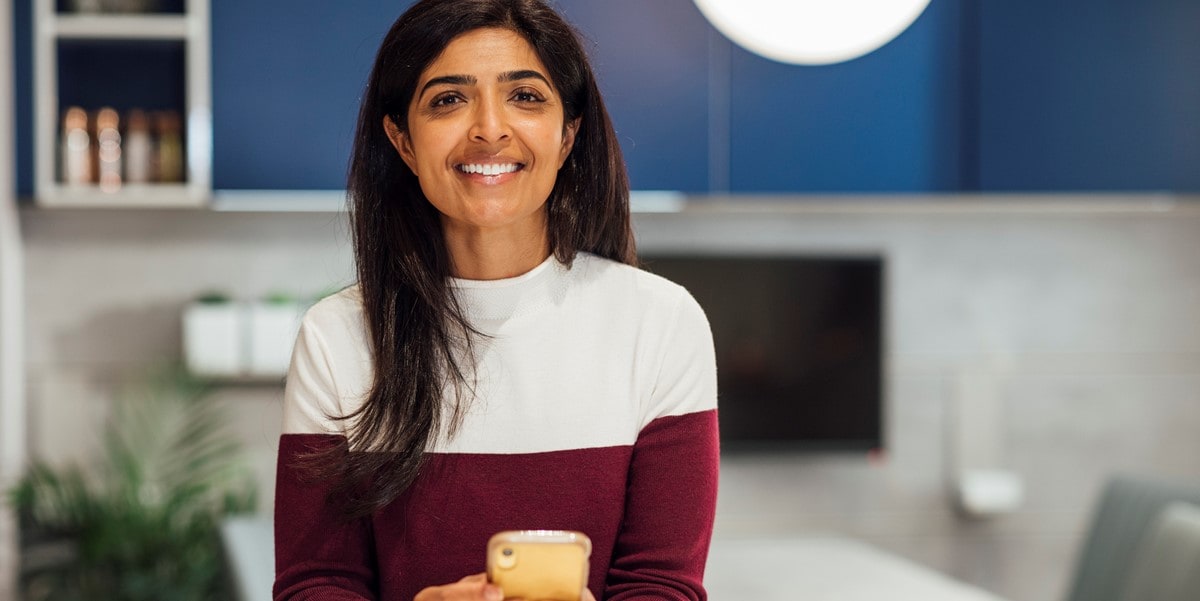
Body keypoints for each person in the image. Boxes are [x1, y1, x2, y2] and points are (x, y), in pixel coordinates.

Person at [272, 0, 719, 599]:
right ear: (402, 140)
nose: (489, 127)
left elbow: (663, 586)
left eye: (526, 97)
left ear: (568, 135)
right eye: (448, 99)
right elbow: (314, 585)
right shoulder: (337, 337)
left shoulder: (662, 324)